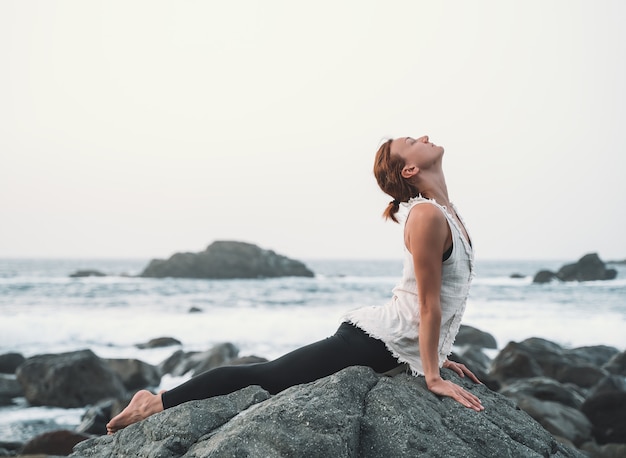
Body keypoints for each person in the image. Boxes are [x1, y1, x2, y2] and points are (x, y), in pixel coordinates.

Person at [106, 134, 483, 434]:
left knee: (268, 376)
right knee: (266, 377)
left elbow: (435, 299)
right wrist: (431, 375)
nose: (424, 135)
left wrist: (432, 356)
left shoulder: (448, 215)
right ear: (410, 169)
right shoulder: (426, 217)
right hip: (374, 341)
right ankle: (152, 402)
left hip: (397, 344)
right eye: (412, 141)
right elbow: (427, 305)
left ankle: (155, 399)